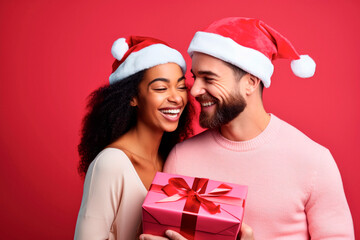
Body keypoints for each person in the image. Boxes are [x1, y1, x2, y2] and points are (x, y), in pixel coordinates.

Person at [140, 17, 354, 239]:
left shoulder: (313, 160)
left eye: (209, 79)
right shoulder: (181, 157)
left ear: (251, 82)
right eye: (196, 77)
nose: (194, 92)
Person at [74, 36, 193, 240]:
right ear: (132, 97)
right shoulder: (111, 164)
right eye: (161, 88)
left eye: (181, 86)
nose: (176, 97)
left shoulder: (171, 160)